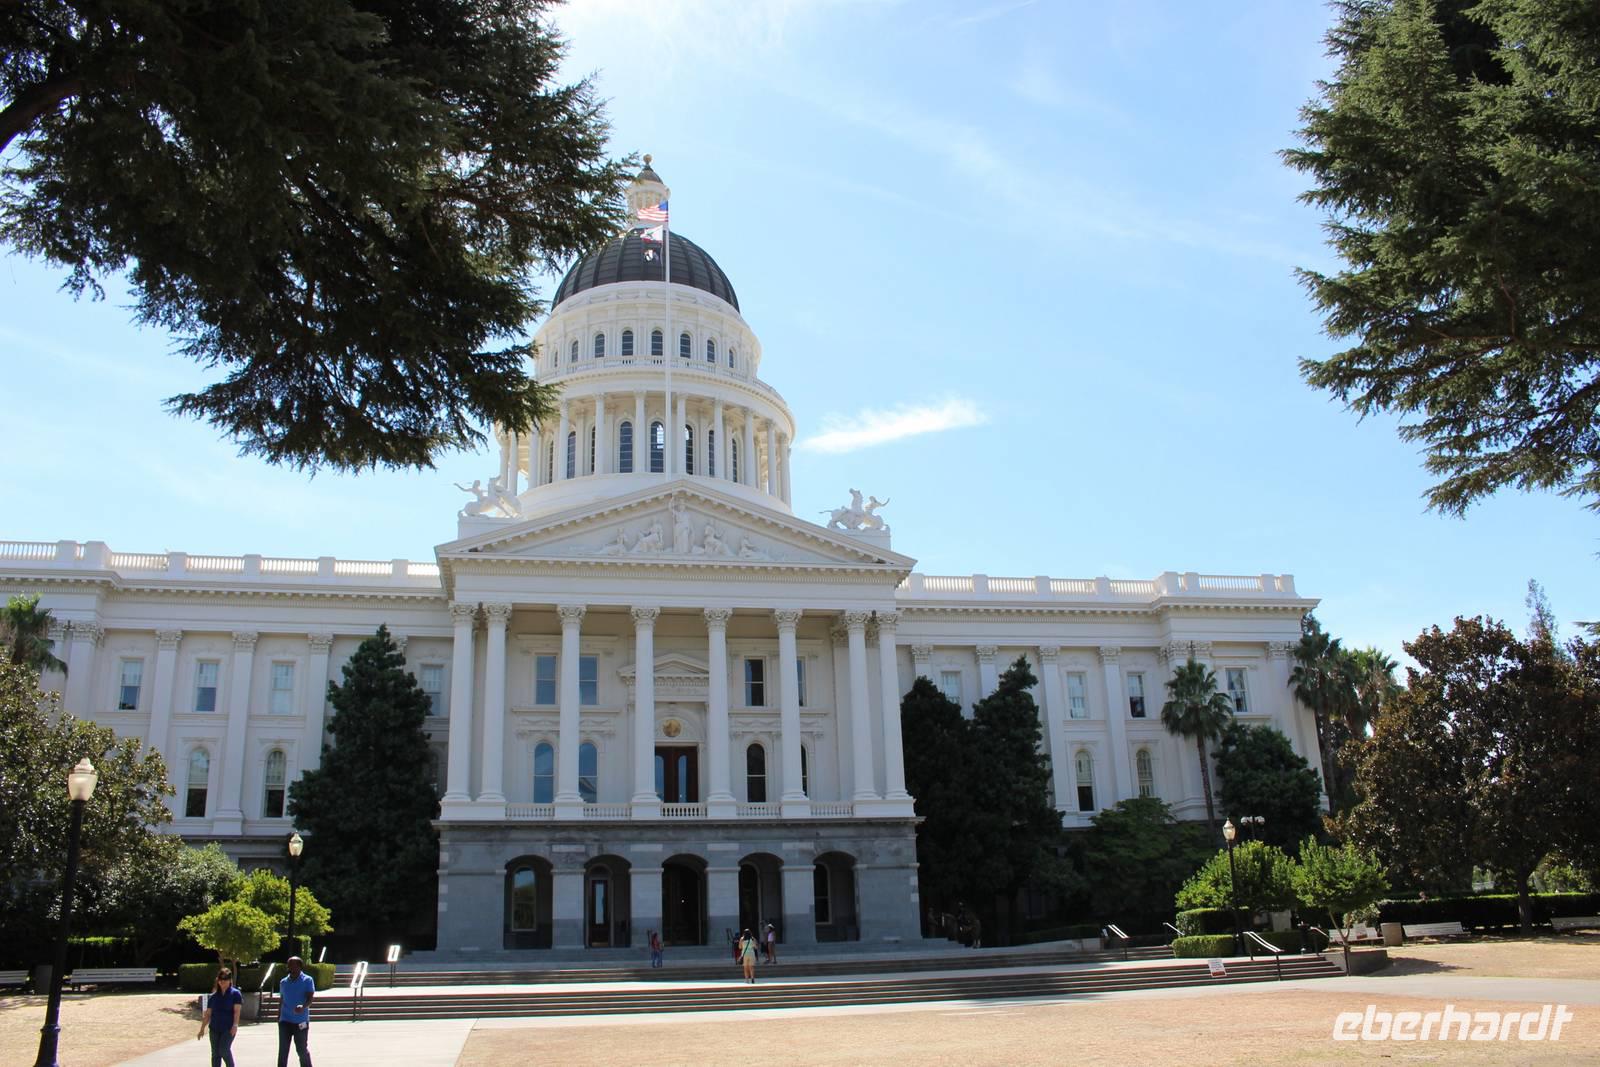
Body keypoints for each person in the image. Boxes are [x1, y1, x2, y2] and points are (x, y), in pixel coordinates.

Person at [197, 967, 241, 1067]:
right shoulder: (213, 997)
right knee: (215, 1054)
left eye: (225, 979)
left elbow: (237, 1012)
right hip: (214, 1028)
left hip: (228, 1028)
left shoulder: (235, 994)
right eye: (220, 979)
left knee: (224, 1050)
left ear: (230, 980)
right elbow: (208, 1014)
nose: (222, 981)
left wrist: (235, 1025)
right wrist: (202, 1029)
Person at [277, 955, 316, 1067]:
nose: (290, 967)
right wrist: (278, 1016)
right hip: (285, 1021)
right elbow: (282, 999)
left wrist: (303, 1006)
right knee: (283, 1050)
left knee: (301, 1049)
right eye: (289, 965)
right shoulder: (283, 982)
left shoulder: (307, 980)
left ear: (299, 966)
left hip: (301, 1021)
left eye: (292, 965)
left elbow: (310, 998)